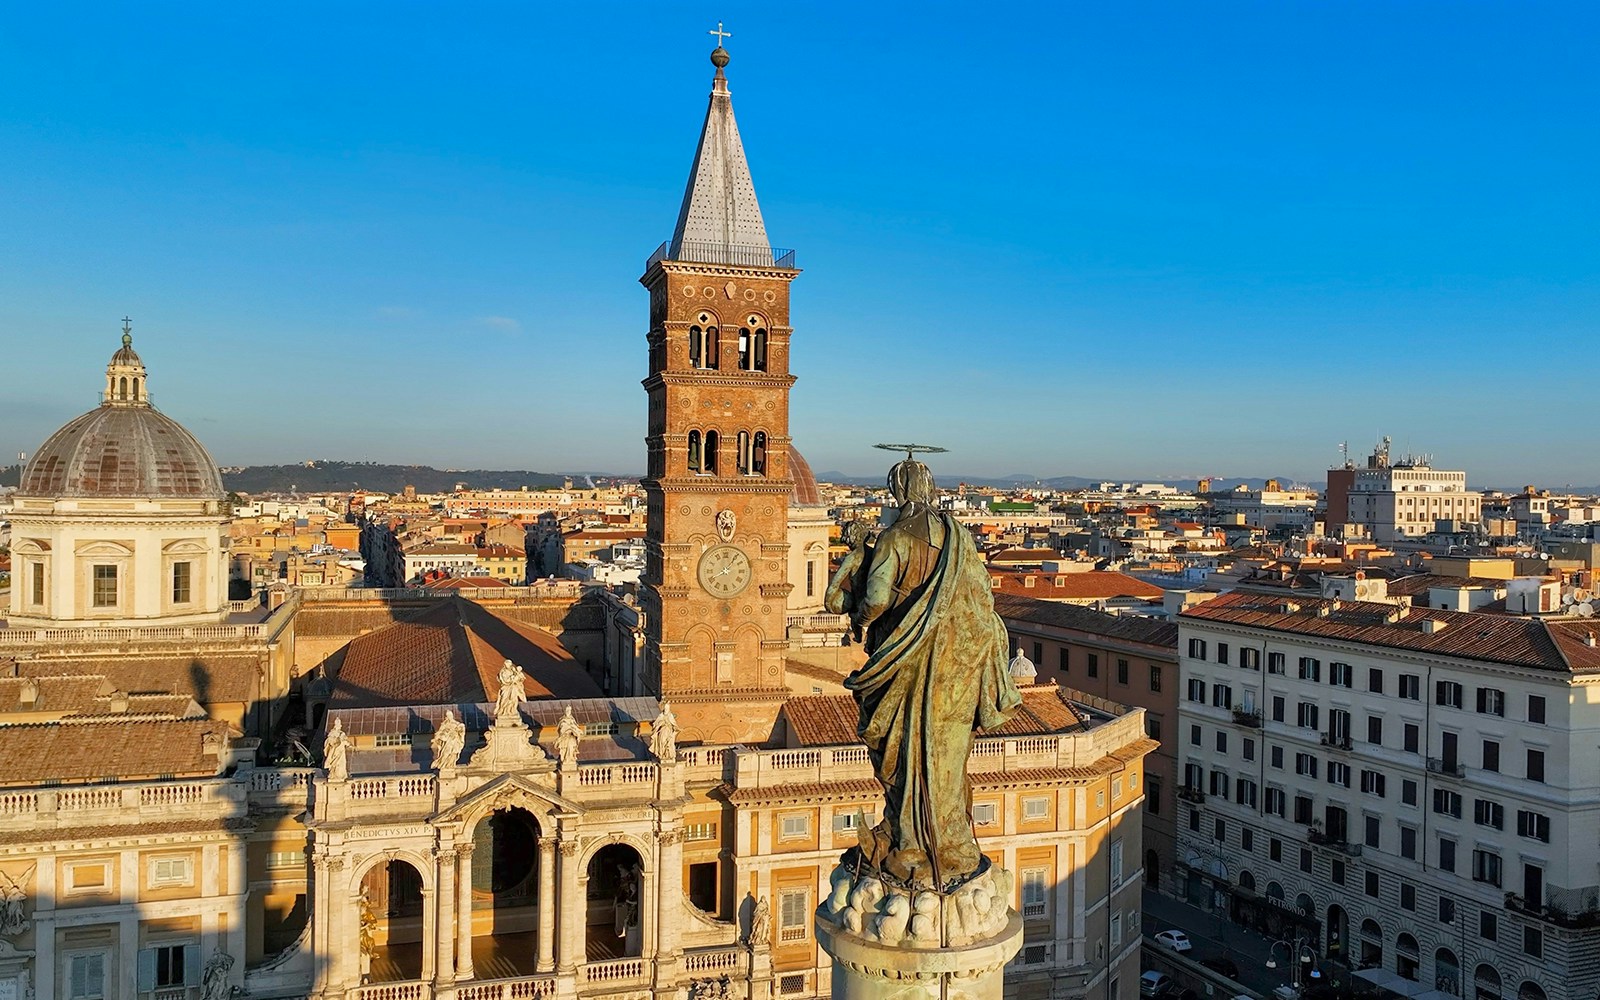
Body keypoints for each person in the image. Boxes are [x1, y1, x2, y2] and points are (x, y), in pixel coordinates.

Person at [843, 457, 1020, 887]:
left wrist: (859, 613)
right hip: (956, 666)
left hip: (906, 665)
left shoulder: (895, 538)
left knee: (901, 751)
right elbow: (982, 598)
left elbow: (877, 600)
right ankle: (950, 841)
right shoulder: (958, 538)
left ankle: (911, 843)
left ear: (898, 493)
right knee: (948, 753)